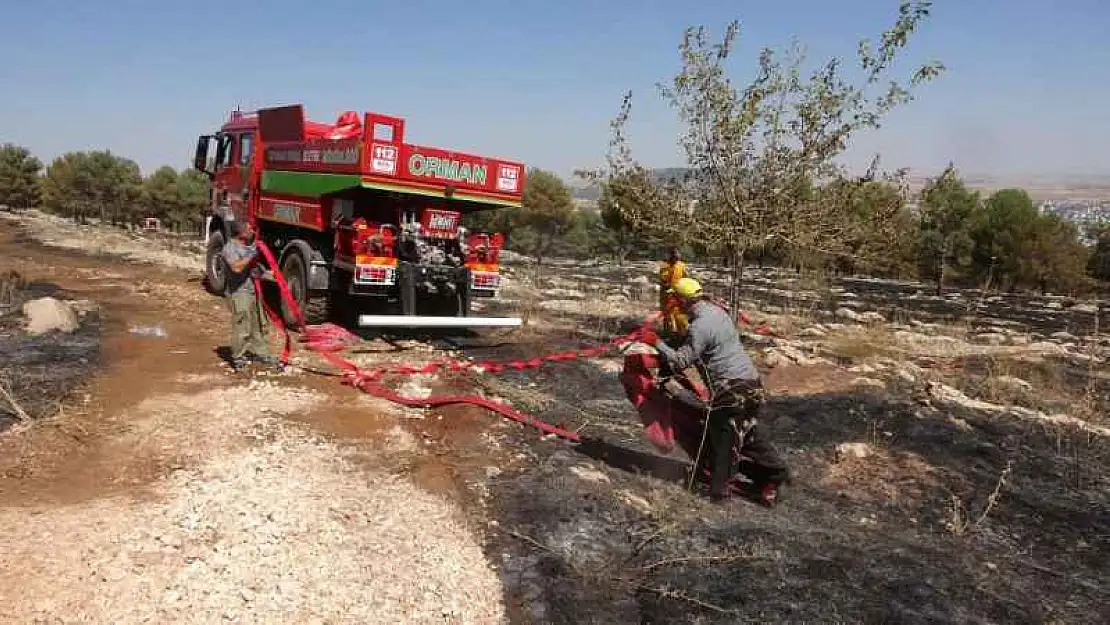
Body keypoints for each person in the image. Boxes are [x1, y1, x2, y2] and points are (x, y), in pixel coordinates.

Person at [641, 277, 790, 506]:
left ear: (680, 300)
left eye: (674, 298)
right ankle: (775, 475)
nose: (672, 302)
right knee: (747, 434)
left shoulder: (700, 326)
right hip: (752, 384)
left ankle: (719, 493)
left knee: (723, 437)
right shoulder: (718, 313)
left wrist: (656, 342)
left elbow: (681, 361)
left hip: (731, 389)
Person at [221, 221, 279, 372]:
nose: (252, 231)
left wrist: (277, 278)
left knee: (257, 324)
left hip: (252, 292)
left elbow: (258, 272)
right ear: (240, 232)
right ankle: (238, 357)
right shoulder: (230, 248)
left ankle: (262, 353)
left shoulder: (248, 248)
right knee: (242, 326)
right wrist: (251, 256)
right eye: (249, 229)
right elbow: (236, 268)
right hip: (239, 293)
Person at [657, 246, 689, 337]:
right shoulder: (664, 267)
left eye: (678, 255)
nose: (677, 257)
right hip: (667, 296)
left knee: (680, 315)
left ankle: (680, 334)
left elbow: (686, 278)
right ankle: (668, 335)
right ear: (671, 256)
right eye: (674, 255)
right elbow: (663, 281)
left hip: (679, 295)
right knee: (668, 315)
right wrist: (668, 287)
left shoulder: (682, 266)